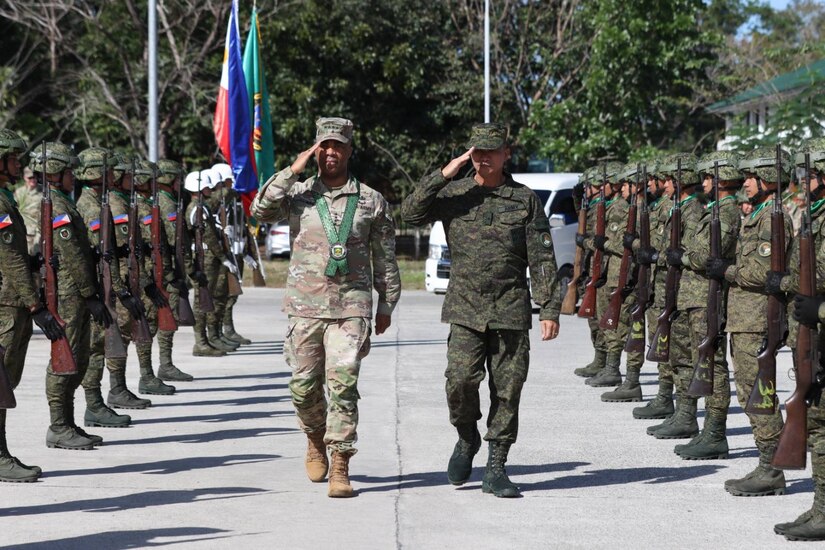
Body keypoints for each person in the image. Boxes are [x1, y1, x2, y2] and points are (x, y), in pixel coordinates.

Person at [401, 122, 560, 498]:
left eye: (492, 152)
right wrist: (444, 173)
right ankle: (466, 436)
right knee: (459, 382)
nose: (484, 158)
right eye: (478, 152)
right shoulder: (456, 193)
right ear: (470, 153)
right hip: (465, 308)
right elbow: (410, 214)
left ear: (506, 154)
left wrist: (549, 307)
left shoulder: (524, 200)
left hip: (510, 308)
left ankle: (496, 466)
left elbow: (541, 257)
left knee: (508, 390)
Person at [251, 117, 401, 498]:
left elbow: (384, 257)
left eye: (338, 146)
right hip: (305, 306)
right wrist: (292, 169)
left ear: (350, 150)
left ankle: (340, 464)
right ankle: (315, 438)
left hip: (351, 307)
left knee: (344, 384)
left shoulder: (370, 200)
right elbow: (259, 210)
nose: (331, 152)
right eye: (324, 146)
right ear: (316, 150)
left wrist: (387, 304)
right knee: (303, 388)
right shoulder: (298, 194)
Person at [706, 146, 792, 496]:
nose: (746, 182)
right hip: (744, 316)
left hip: (756, 317)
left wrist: (726, 271)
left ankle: (772, 467)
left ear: (768, 179)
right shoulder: (758, 214)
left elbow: (764, 271)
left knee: (758, 393)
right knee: (749, 391)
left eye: (753, 177)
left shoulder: (775, 217)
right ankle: (768, 461)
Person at [29, 142, 112, 450]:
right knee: (65, 356)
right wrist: (90, 293)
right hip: (68, 291)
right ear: (55, 173)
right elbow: (72, 254)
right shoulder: (58, 207)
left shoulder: (63, 202)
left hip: (75, 290)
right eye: (67, 172)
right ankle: (58, 425)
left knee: (77, 355)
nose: (72, 177)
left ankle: (68, 421)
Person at [0, 130, 63, 480]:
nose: (18, 165)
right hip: (8, 303)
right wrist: (36, 306)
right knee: (1, 381)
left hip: (11, 299)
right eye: (12, 158)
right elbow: (9, 260)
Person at [673, 151, 742, 460]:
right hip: (695, 297)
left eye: (709, 177)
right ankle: (703, 428)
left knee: (712, 364)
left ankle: (715, 433)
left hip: (708, 298)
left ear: (722, 179)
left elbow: (705, 256)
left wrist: (684, 257)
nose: (704, 182)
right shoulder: (713, 210)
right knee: (700, 361)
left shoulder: (726, 214)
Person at [74, 147, 141, 428]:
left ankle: (100, 401)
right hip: (95, 287)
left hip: (103, 285)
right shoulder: (92, 207)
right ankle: (94, 404)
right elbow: (102, 253)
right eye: (111, 170)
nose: (117, 175)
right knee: (95, 347)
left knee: (100, 345)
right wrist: (117, 288)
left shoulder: (98, 202)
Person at [154, 159, 195, 381]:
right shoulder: (167, 203)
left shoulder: (168, 200)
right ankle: (165, 364)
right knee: (168, 317)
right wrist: (182, 270)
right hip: (168, 269)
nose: (180, 183)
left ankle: (165, 364)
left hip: (169, 267)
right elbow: (174, 239)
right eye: (178, 179)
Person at [184, 169, 226, 357]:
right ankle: (200, 342)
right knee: (201, 300)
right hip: (204, 258)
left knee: (206, 299)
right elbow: (208, 235)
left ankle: (205, 340)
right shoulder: (196, 209)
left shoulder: (202, 206)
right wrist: (223, 256)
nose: (211, 189)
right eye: (207, 186)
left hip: (208, 257)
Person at [13, 166, 42, 256]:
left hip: (39, 231)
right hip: (25, 232)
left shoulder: (43, 192)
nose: (33, 179)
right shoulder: (19, 192)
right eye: (30, 177)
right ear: (25, 178)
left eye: (35, 177)